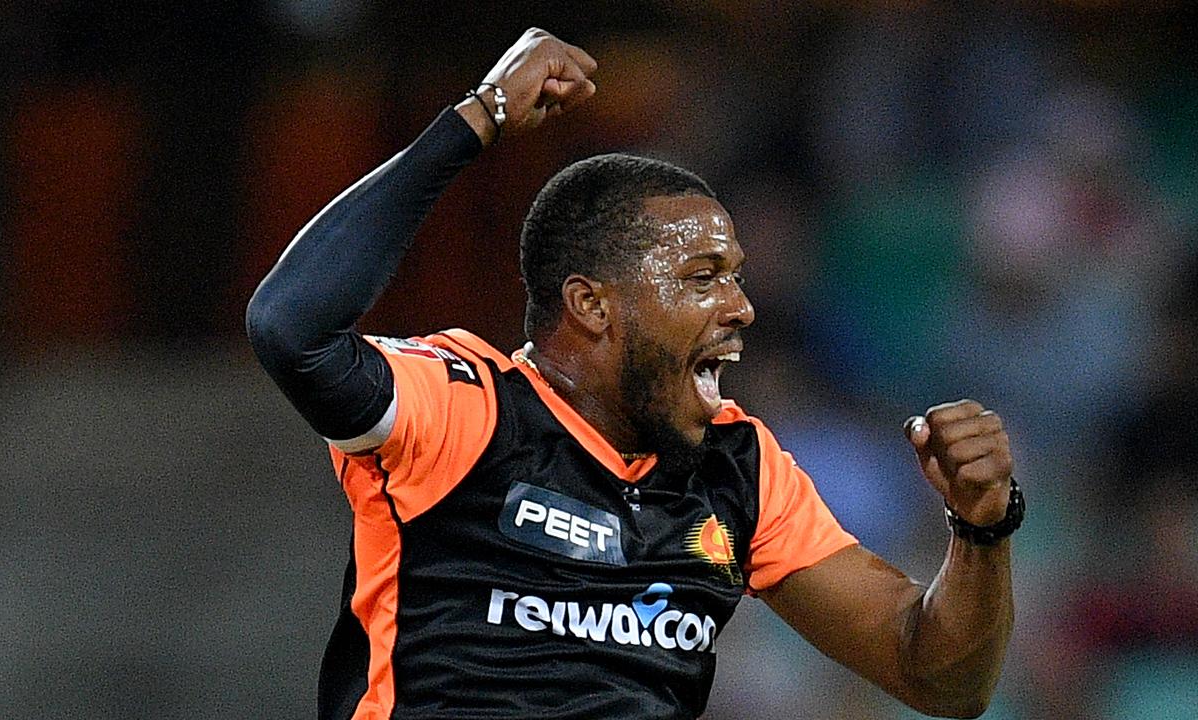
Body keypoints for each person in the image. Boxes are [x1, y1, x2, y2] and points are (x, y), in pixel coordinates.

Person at [246, 28, 1021, 720]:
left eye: (739, 277)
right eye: (703, 277)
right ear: (592, 304)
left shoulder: (738, 469)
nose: (743, 307)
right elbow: (292, 330)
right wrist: (475, 119)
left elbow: (938, 679)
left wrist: (982, 528)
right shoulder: (469, 412)